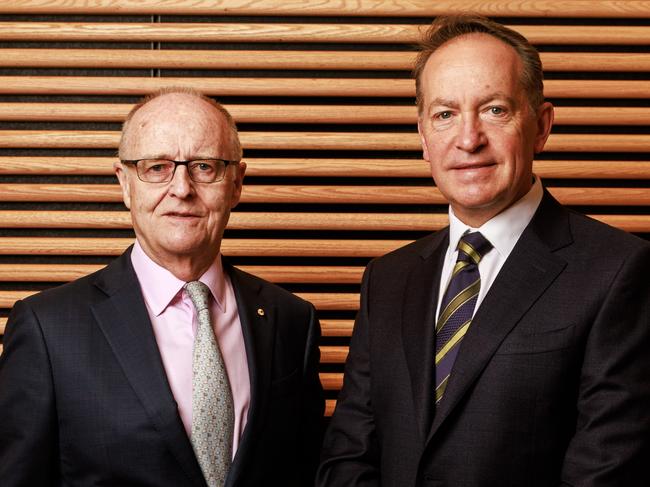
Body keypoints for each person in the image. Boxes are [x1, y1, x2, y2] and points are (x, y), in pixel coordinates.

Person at [317, 15, 650, 487]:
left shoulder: (618, 270)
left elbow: (607, 471)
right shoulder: (387, 280)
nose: (468, 139)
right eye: (445, 114)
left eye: (495, 109)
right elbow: (349, 455)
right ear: (423, 137)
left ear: (542, 126)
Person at [0, 88, 324, 486]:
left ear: (236, 184)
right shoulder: (47, 329)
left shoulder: (291, 319)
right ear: (124, 184)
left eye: (205, 167)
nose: (182, 188)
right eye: (157, 167)